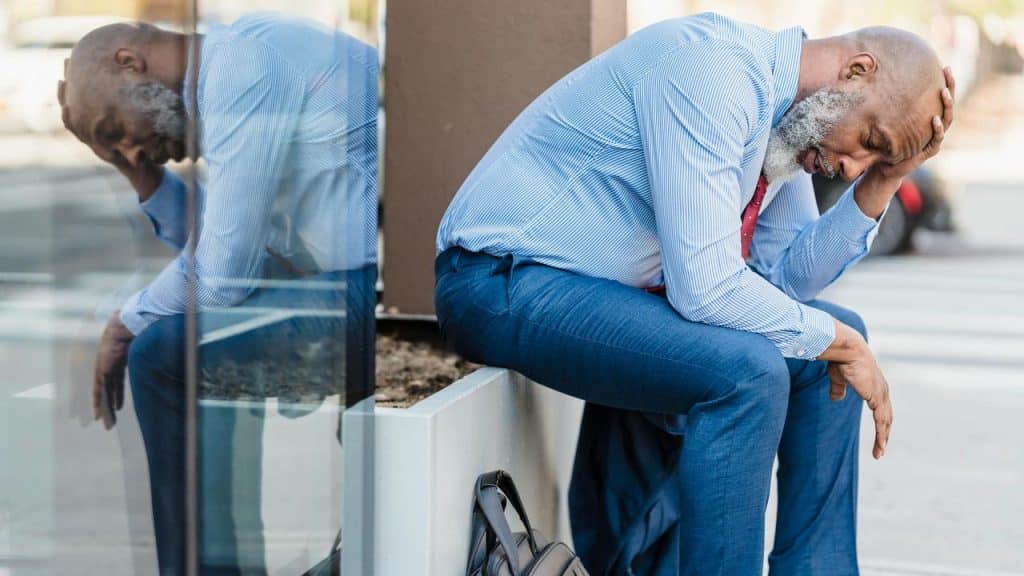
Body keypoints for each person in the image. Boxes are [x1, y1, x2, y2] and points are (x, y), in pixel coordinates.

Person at [434, 12, 954, 575]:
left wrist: (886, 179)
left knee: (831, 340)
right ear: (855, 71)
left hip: (591, 294)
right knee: (753, 370)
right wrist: (839, 343)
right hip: (500, 278)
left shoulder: (786, 126)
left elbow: (783, 280)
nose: (851, 165)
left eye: (875, 159)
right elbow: (706, 289)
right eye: (870, 143)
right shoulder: (713, 74)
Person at [58, 13, 378, 575]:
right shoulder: (230, 71)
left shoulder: (241, 68)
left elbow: (222, 276)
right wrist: (138, 175)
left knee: (164, 355)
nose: (130, 151)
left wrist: (123, 325)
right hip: (339, 283)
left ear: (130, 63)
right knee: (187, 337)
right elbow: (224, 248)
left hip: (372, 290)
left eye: (113, 131)